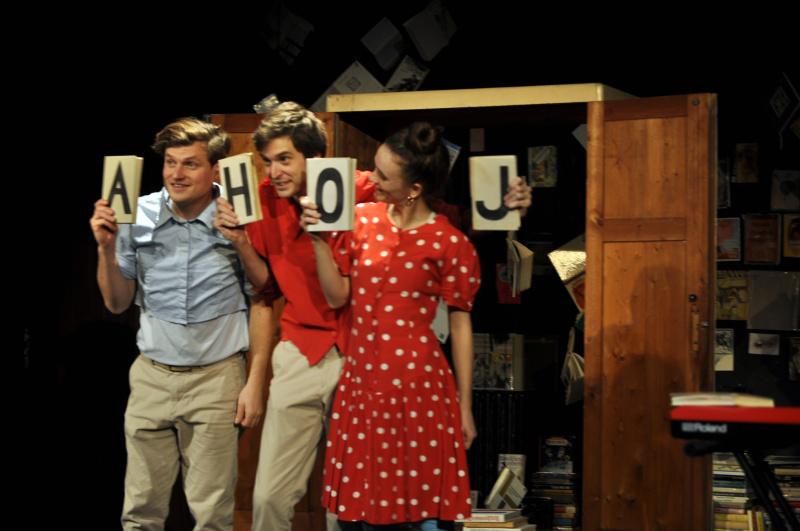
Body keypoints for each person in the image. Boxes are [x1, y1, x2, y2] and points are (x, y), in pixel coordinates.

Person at [299, 122, 530, 530]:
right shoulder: (360, 220)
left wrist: (464, 406)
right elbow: (336, 298)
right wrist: (318, 238)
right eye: (374, 168)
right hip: (363, 385)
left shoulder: (449, 242)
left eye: (383, 175)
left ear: (414, 189)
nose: (371, 179)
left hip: (419, 388)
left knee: (419, 506)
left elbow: (461, 326)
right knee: (363, 509)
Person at [89, 117, 270, 530]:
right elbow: (116, 303)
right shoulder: (137, 213)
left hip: (217, 380)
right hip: (151, 378)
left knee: (211, 516)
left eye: (190, 163)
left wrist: (255, 381)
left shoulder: (240, 215)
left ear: (215, 170)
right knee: (140, 513)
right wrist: (105, 249)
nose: (176, 174)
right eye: (170, 162)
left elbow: (264, 293)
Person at [213, 102, 377, 531]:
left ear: (316, 157)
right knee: (268, 498)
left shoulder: (360, 189)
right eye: (268, 161)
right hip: (300, 351)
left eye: (284, 159)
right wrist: (240, 241)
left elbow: (430, 208)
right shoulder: (264, 198)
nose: (274, 172)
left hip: (360, 356)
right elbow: (265, 287)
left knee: (346, 505)